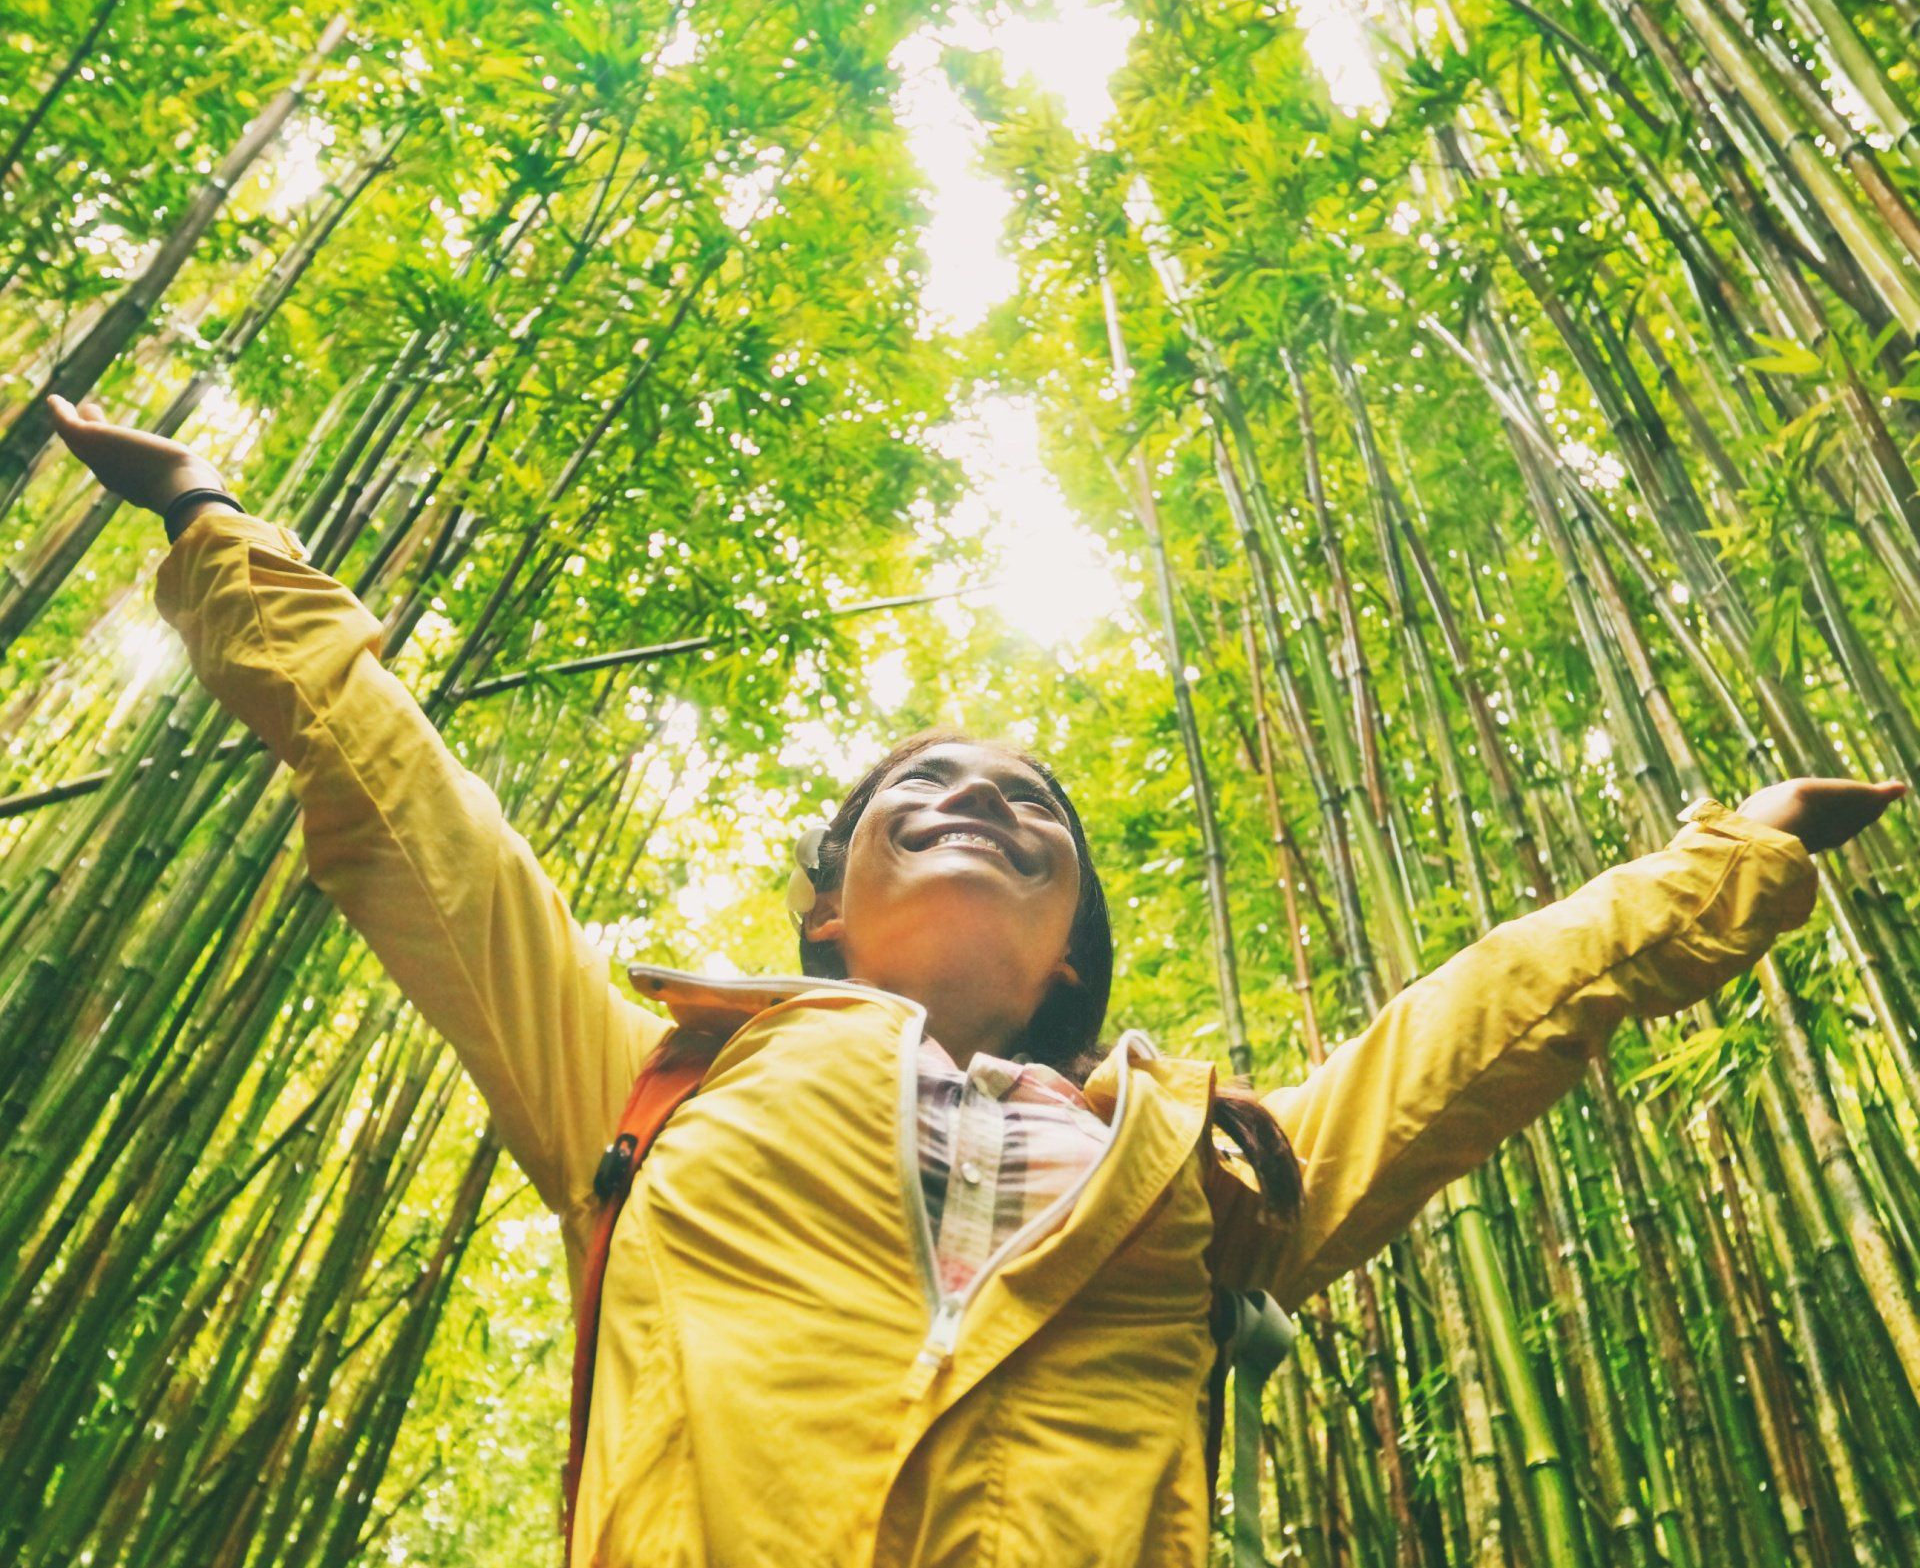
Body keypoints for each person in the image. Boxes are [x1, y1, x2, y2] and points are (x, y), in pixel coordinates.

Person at [48, 391, 1906, 1567]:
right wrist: (217, 526)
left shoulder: (1220, 1164)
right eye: (912, 792)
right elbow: (406, 803)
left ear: (1076, 938)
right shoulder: (644, 1072)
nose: (974, 800)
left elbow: (1481, 1020)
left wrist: (1731, 855)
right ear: (824, 910)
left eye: (1031, 803)